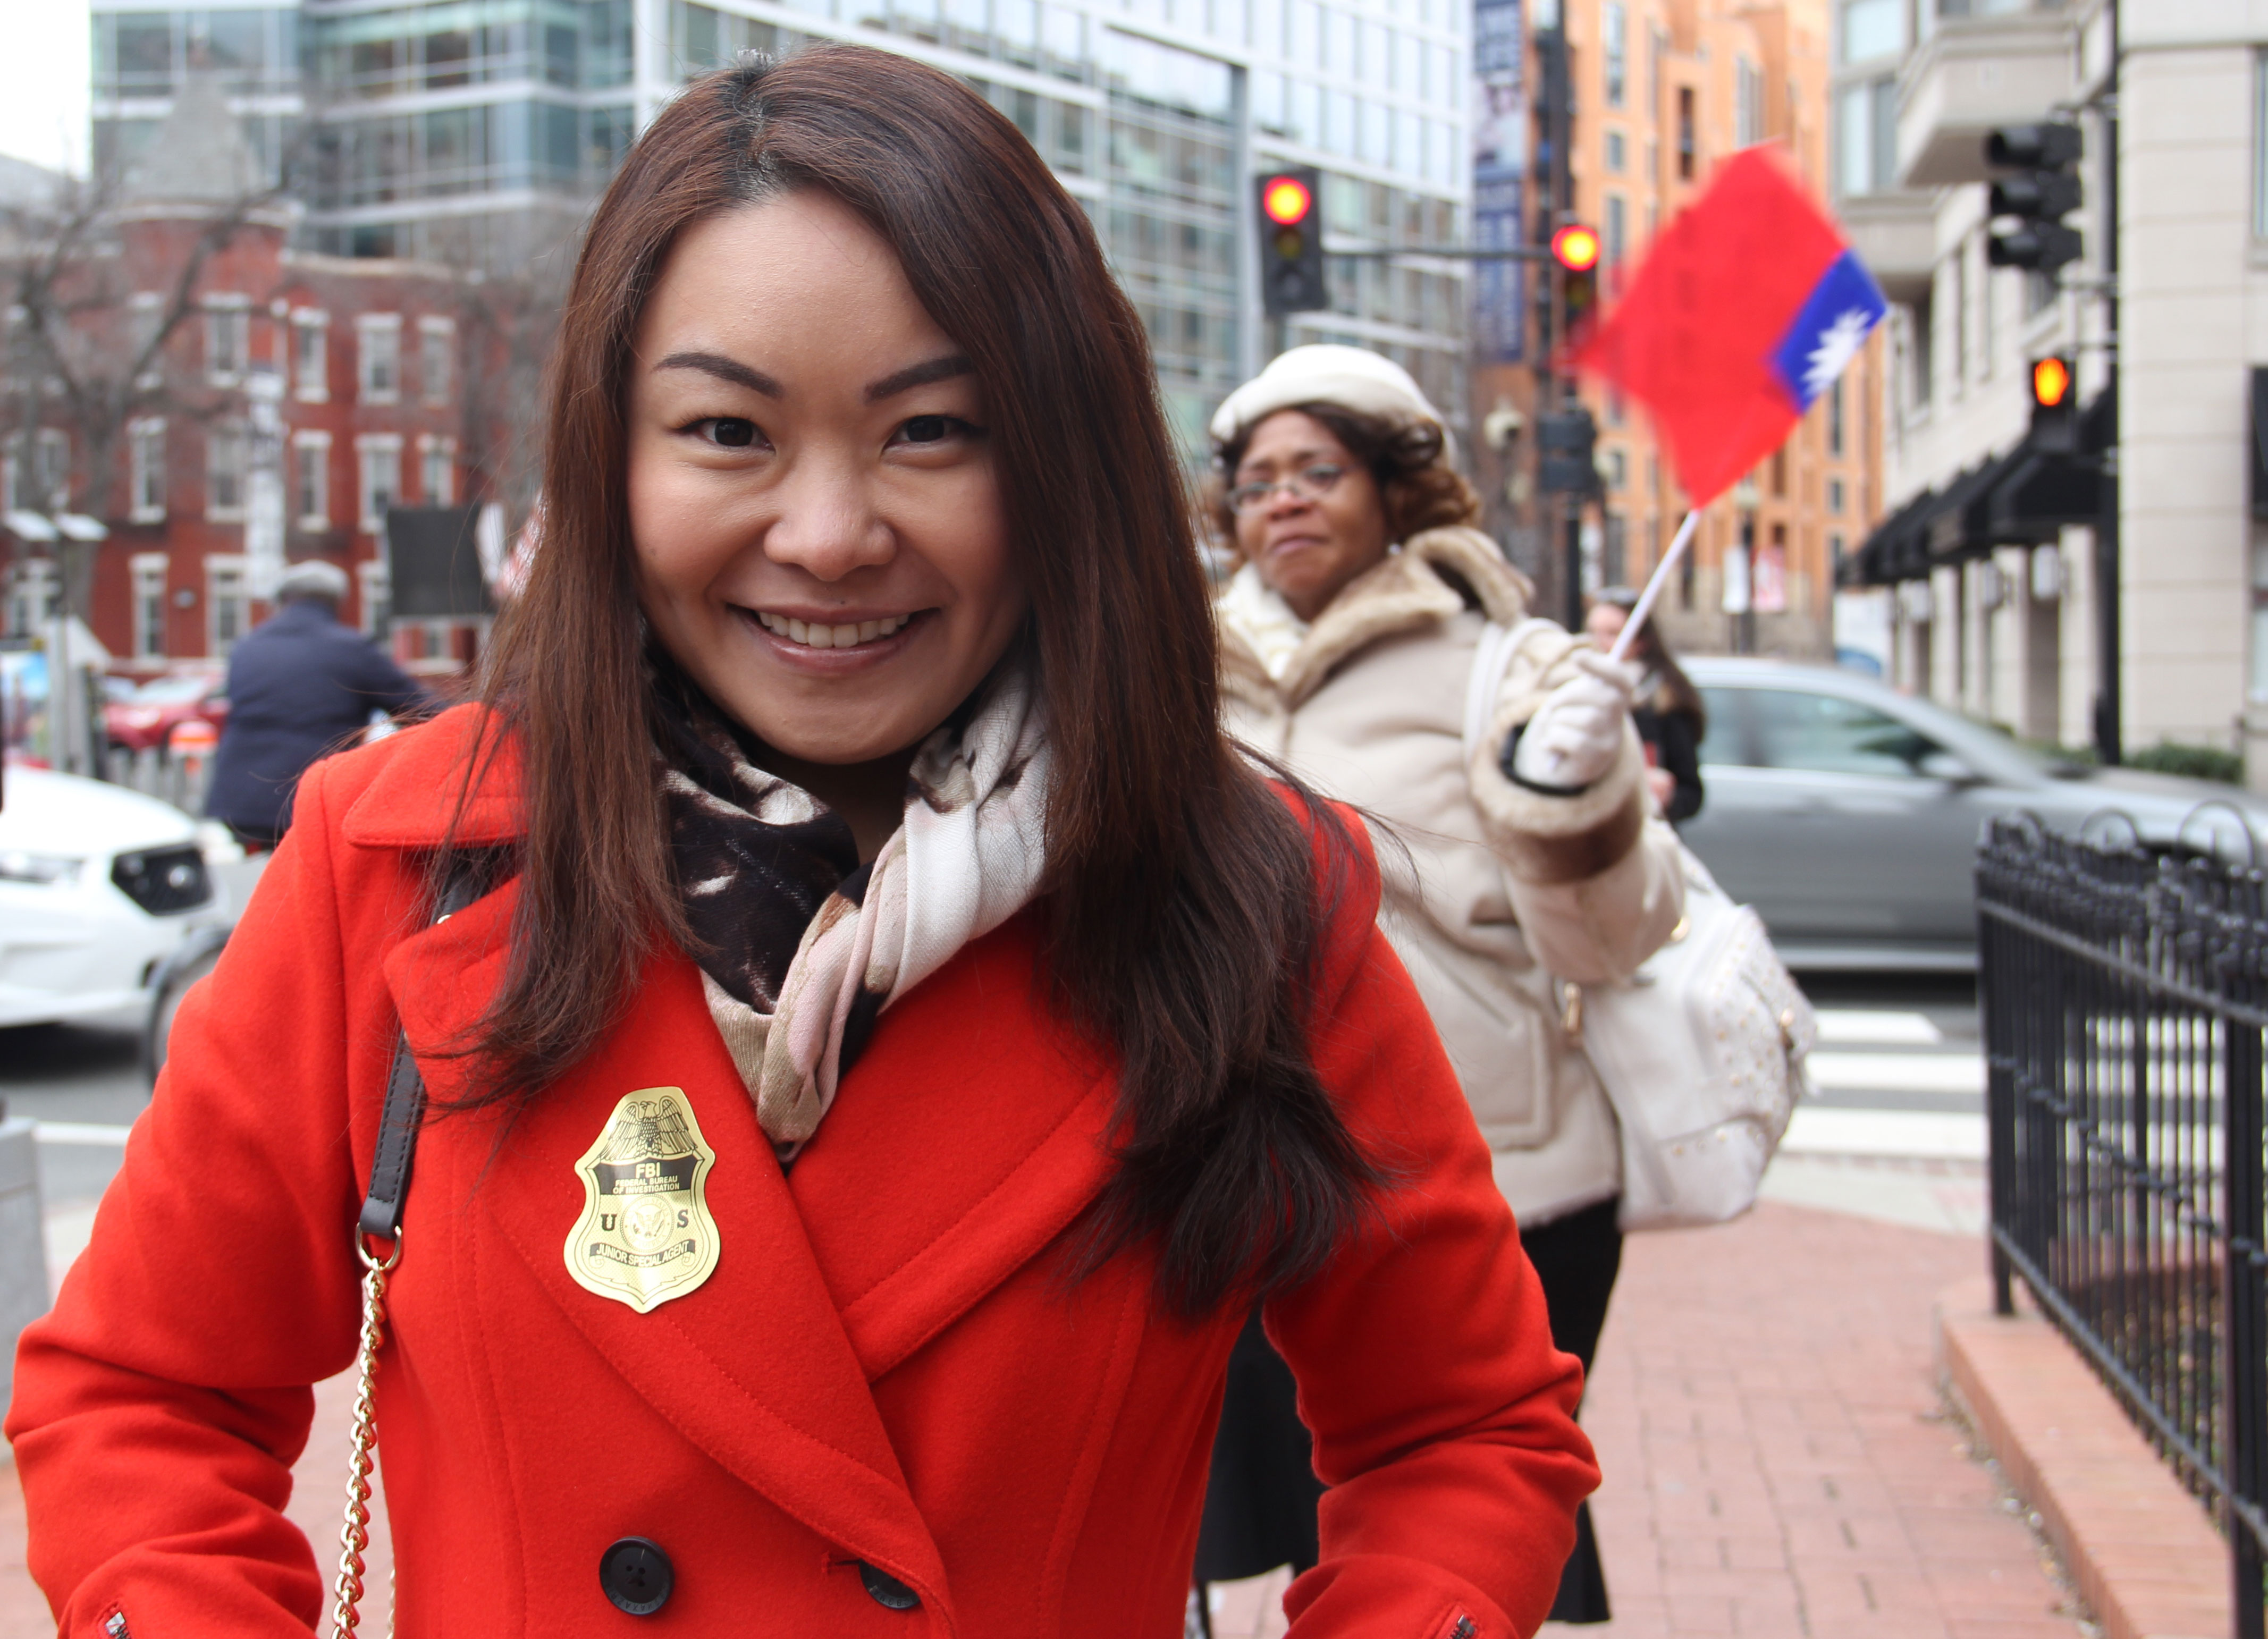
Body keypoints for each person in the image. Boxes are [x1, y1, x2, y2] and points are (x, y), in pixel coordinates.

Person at [9, 50, 1599, 1639]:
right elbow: (142, 1395)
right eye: (726, 430)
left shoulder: (1248, 892)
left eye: (932, 433)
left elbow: (1460, 1429)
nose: (829, 534)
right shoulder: (395, 859)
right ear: (611, 459)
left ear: (1062, 465)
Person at [1207, 346, 1688, 1628]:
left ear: (1394, 487)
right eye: (1257, 482)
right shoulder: (1178, 670)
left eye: (1319, 469)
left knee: (1467, 1500)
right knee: (1243, 1511)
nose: (1284, 501)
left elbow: (1614, 935)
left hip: (1503, 1170)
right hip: (1254, 1159)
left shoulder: (1508, 666)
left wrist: (1576, 798)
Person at [203, 557, 433, 849]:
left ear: (283, 600)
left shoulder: (247, 646)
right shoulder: (350, 649)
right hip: (312, 796)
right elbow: (417, 709)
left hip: (242, 798)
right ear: (336, 602)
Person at [1584, 586, 1707, 825]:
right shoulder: (1572, 691)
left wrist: (1665, 795)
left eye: (1613, 633)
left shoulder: (1662, 700)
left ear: (1640, 641)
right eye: (1592, 632)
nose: (1598, 643)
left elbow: (1691, 793)